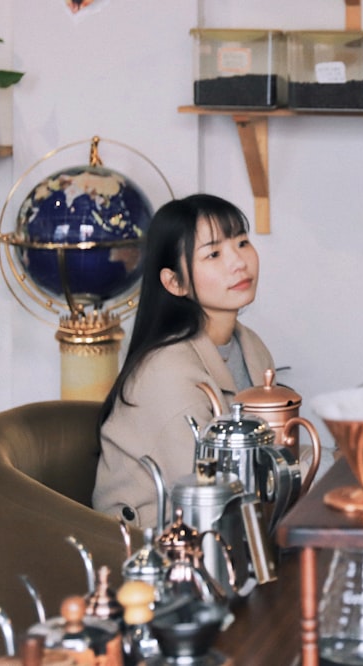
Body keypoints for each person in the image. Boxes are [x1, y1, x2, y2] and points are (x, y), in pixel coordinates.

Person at [93, 193, 274, 528]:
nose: (238, 262)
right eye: (214, 253)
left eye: (243, 242)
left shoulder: (250, 345)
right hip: (151, 548)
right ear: (175, 282)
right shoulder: (167, 371)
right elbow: (208, 491)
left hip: (234, 526)